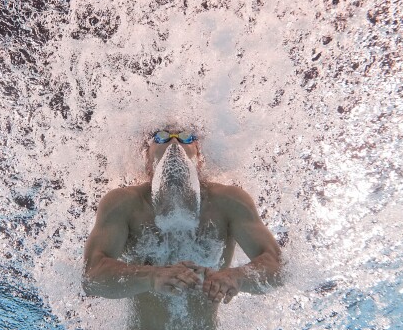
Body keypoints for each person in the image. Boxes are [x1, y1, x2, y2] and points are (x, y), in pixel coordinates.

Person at [83, 128, 282, 329]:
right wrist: (151, 277)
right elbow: (91, 277)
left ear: (200, 159)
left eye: (186, 135)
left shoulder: (229, 202)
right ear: (147, 161)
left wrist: (236, 277)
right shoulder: (124, 204)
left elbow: (278, 266)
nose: (174, 142)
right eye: (161, 135)